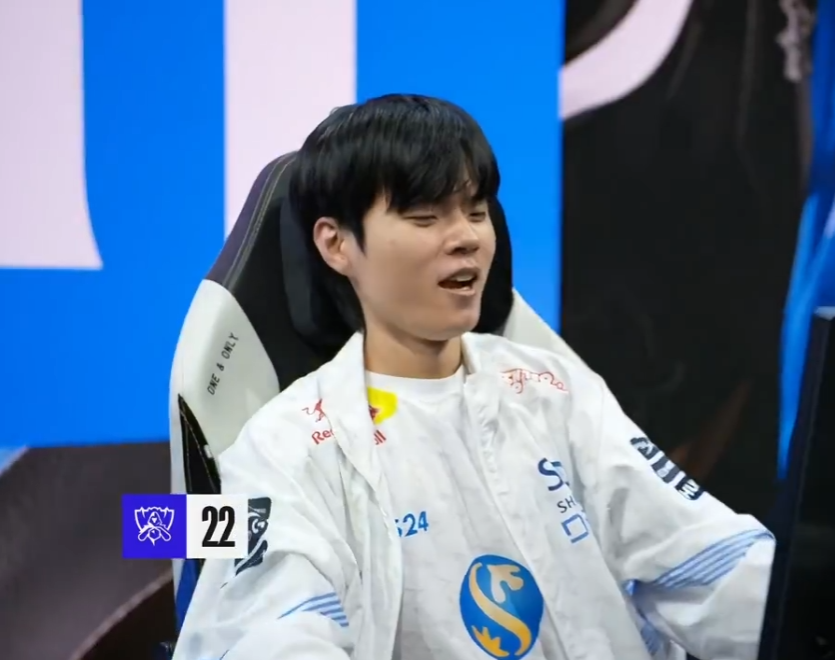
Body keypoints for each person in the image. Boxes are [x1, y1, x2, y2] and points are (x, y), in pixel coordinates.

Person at [173, 94, 774, 660]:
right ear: (336, 244)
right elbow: (275, 627)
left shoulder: (556, 392)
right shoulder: (287, 445)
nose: (465, 238)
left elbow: (709, 562)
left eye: (477, 212)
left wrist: (814, 608)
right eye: (424, 216)